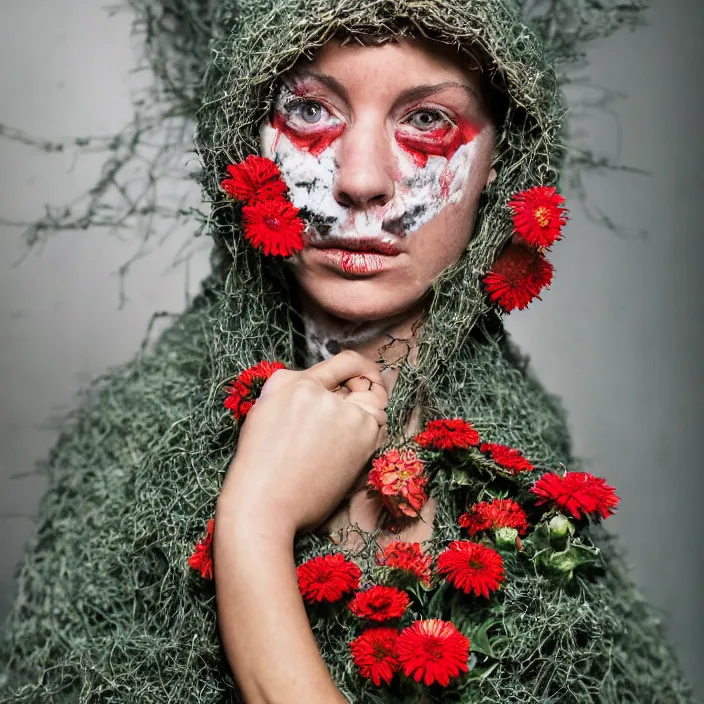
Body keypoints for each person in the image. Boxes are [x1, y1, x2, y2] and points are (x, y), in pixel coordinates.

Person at [0, 0, 694, 702]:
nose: (359, 180)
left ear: (502, 163)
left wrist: (253, 528)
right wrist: (256, 521)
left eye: (427, 120)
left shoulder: (524, 466)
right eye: (308, 112)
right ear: (244, 145)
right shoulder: (133, 451)